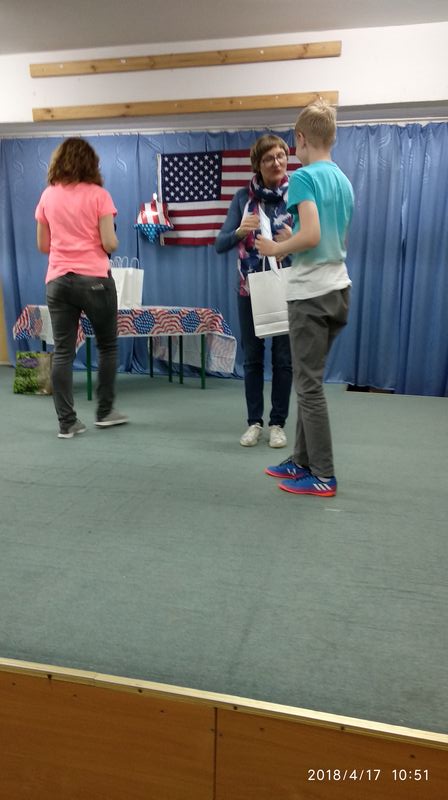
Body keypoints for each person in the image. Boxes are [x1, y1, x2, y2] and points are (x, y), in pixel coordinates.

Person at [256, 99, 354, 496]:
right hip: (338, 290)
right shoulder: (343, 180)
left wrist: (276, 248)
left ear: (300, 138)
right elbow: (325, 237)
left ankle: (324, 475)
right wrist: (292, 239)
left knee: (309, 387)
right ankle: (301, 461)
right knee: (307, 380)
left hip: (311, 294)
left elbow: (312, 235)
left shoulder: (304, 178)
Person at [35, 137, 128, 438]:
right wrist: (112, 237)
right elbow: (109, 243)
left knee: (63, 350)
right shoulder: (100, 195)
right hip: (95, 280)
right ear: (91, 164)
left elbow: (43, 245)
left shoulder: (47, 196)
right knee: (107, 346)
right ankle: (105, 412)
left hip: (58, 280)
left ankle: (67, 423)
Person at [215, 135, 293, 448]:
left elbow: (312, 243)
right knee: (253, 358)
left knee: (284, 358)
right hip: (249, 289)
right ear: (257, 165)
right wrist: (239, 231)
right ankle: (254, 422)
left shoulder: (297, 195)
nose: (276, 162)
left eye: (280, 156)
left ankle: (277, 424)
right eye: (268, 158)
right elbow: (220, 244)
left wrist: (293, 240)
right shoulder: (242, 199)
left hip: (287, 287)